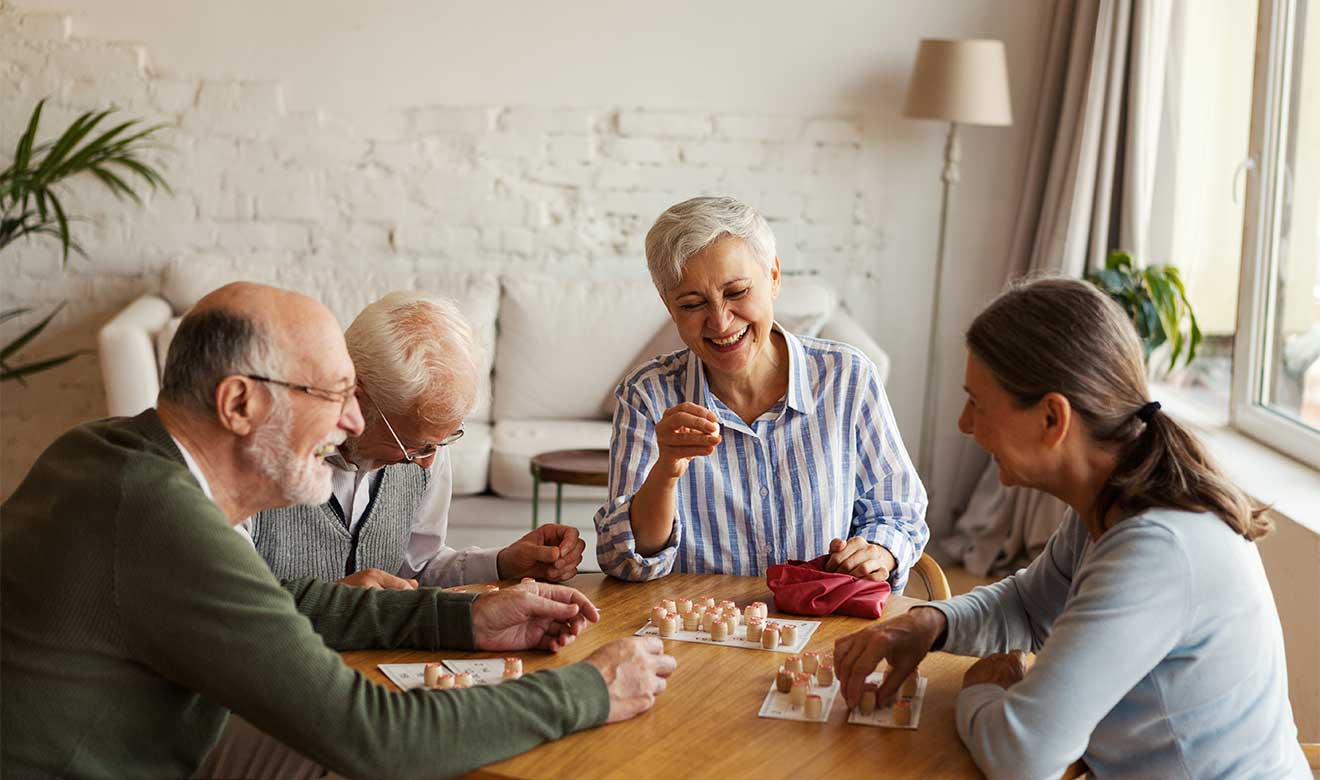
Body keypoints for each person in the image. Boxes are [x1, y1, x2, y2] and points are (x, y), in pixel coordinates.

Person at [0, 282, 675, 780]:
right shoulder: (162, 516)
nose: (351, 424)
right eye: (333, 395)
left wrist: (463, 620)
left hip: (159, 736)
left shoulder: (106, 451)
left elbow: (280, 602)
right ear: (239, 403)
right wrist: (587, 689)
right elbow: (373, 736)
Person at [833, 277, 1308, 779]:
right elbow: (1027, 606)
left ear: (1052, 418)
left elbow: (1024, 757)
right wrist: (933, 623)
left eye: (978, 402)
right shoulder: (1111, 502)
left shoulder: (1156, 549)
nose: (964, 424)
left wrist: (980, 689)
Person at [594, 195, 928, 589]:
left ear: (773, 277)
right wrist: (666, 471)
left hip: (822, 627)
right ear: (670, 307)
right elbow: (624, 559)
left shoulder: (847, 377)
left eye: (736, 292)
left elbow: (899, 513)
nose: (720, 322)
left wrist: (877, 551)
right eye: (693, 303)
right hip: (698, 637)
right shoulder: (647, 394)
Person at [246, 291, 584, 590]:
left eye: (442, 442)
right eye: (413, 445)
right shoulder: (256, 454)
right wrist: (336, 599)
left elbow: (418, 567)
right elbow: (221, 603)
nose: (427, 462)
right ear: (356, 397)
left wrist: (503, 564)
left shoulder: (427, 443)